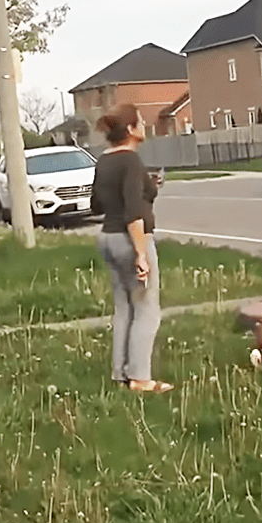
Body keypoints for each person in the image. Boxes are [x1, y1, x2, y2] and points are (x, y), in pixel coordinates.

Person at [90, 103, 173, 393]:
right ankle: (140, 378)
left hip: (108, 238)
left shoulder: (104, 161)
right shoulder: (131, 161)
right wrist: (140, 254)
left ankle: (121, 373)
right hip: (130, 239)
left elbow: (97, 204)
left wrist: (148, 185)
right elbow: (133, 212)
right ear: (130, 129)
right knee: (147, 309)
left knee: (124, 308)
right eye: (140, 121)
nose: (145, 125)